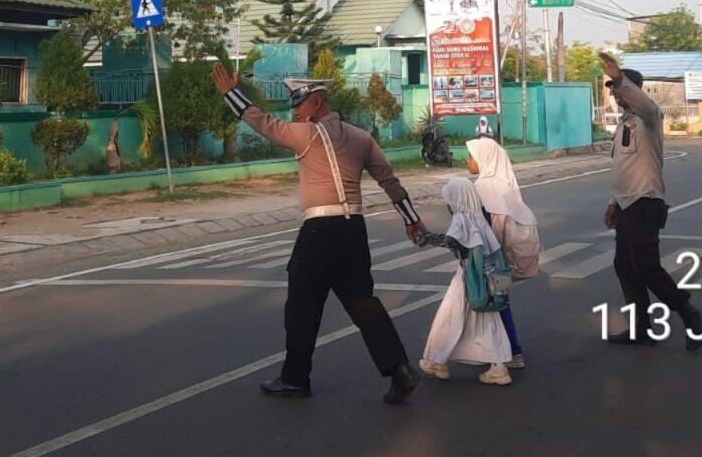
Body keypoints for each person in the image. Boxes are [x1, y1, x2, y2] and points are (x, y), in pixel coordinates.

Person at [212, 64, 425, 403]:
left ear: (317, 102)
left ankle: (295, 378)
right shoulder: (361, 137)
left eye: (299, 103)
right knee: (364, 304)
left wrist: (229, 94)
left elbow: (262, 123)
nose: (294, 111)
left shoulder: (308, 135)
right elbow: (389, 181)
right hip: (354, 230)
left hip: (319, 232)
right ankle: (400, 370)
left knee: (301, 307)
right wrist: (412, 220)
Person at [598, 52, 702, 352]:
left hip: (645, 202)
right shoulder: (625, 123)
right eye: (613, 91)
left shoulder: (649, 117)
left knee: (646, 267)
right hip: (626, 204)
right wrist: (613, 202)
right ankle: (641, 329)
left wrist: (620, 79)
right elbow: (625, 168)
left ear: (633, 89)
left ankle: (689, 314)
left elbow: (644, 103)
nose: (615, 96)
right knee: (625, 266)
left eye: (618, 90)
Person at [416, 178, 513, 385]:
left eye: (449, 199)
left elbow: (454, 242)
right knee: (487, 320)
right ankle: (498, 366)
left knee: (449, 317)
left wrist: (427, 237)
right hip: (486, 279)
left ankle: (436, 360)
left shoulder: (462, 219)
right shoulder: (479, 219)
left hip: (468, 278)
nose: (448, 204)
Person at [466, 136, 541, 368]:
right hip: (502, 260)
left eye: (471, 156)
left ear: (484, 159)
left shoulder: (482, 189)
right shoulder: (504, 185)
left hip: (488, 260)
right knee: (500, 302)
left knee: (489, 304)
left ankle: (503, 355)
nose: (467, 160)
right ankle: (511, 351)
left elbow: (483, 228)